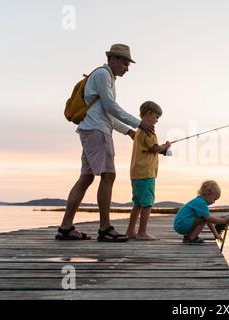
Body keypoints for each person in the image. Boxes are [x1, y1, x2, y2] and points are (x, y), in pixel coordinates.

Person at [55, 43, 154, 242]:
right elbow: (111, 106)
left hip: (92, 130)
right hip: (97, 132)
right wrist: (138, 123)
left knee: (86, 177)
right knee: (109, 175)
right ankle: (105, 228)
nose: (127, 68)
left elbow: (106, 111)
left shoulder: (107, 78)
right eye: (125, 63)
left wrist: (127, 130)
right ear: (113, 59)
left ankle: (66, 227)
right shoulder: (103, 75)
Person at [125, 101, 171, 240]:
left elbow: (149, 149)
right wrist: (166, 145)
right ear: (148, 114)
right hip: (146, 173)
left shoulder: (139, 130)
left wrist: (162, 148)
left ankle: (130, 231)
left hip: (136, 172)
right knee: (147, 203)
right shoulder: (148, 129)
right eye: (156, 117)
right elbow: (154, 148)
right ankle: (142, 233)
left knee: (138, 203)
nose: (157, 120)